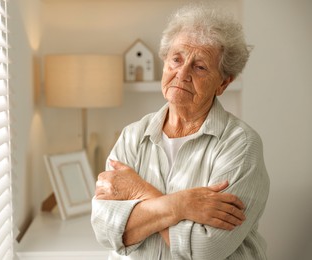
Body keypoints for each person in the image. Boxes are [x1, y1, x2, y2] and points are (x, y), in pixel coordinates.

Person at [91, 4, 270, 260]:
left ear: (223, 83)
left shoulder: (241, 145)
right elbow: (105, 230)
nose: (182, 74)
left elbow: (203, 249)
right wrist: (182, 205)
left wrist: (140, 192)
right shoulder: (132, 136)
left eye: (200, 67)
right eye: (176, 59)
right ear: (165, 62)